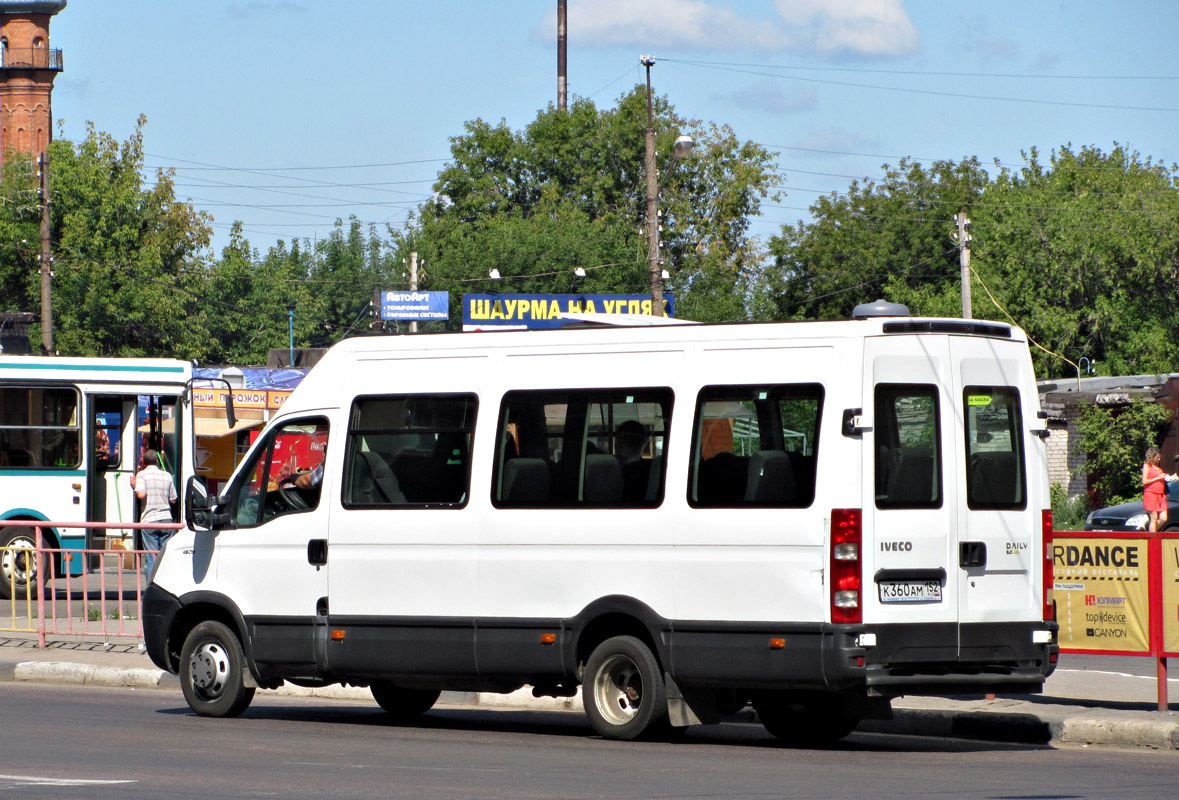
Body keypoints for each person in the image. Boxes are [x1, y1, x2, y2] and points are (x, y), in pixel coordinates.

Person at [130, 448, 177, 575]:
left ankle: (151, 590)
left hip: (149, 520)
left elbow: (141, 495)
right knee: (165, 558)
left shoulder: (142, 475)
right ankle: (165, 589)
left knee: (151, 558)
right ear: (157, 461)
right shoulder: (167, 475)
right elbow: (173, 500)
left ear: (143, 462)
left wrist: (135, 486)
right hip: (167, 520)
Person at [1141, 446, 1176, 532]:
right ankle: (1153, 538)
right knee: (1154, 517)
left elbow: (1162, 478)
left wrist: (1171, 478)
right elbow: (1144, 481)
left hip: (1160, 495)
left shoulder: (1158, 468)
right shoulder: (1147, 466)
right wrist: (1158, 478)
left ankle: (1151, 531)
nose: (1159, 459)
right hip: (1151, 493)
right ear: (1152, 457)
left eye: (1159, 457)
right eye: (1157, 457)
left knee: (1164, 518)